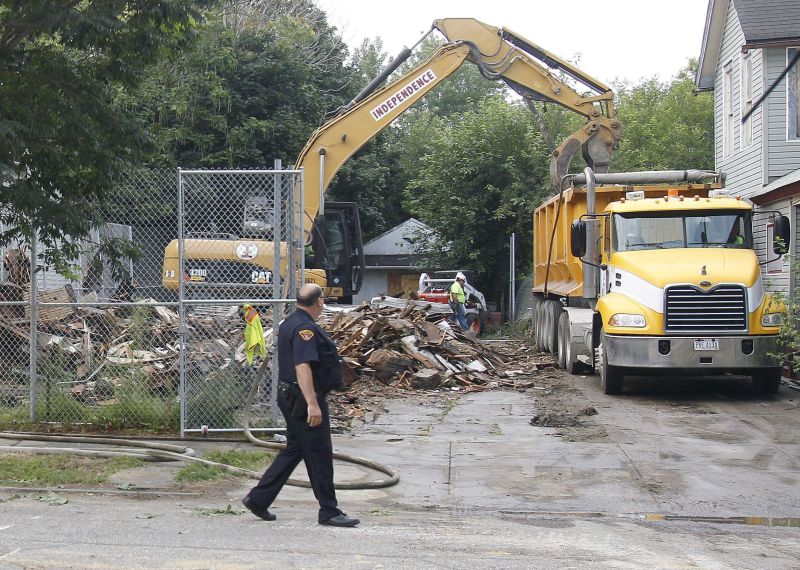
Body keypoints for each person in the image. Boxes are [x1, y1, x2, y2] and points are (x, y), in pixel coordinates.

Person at [242, 283, 360, 528]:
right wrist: (312, 404)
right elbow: (302, 366)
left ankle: (258, 499)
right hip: (303, 400)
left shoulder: (290, 323)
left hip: (290, 396)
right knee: (319, 454)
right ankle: (329, 511)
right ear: (318, 301)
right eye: (323, 300)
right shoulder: (304, 328)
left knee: (295, 449)